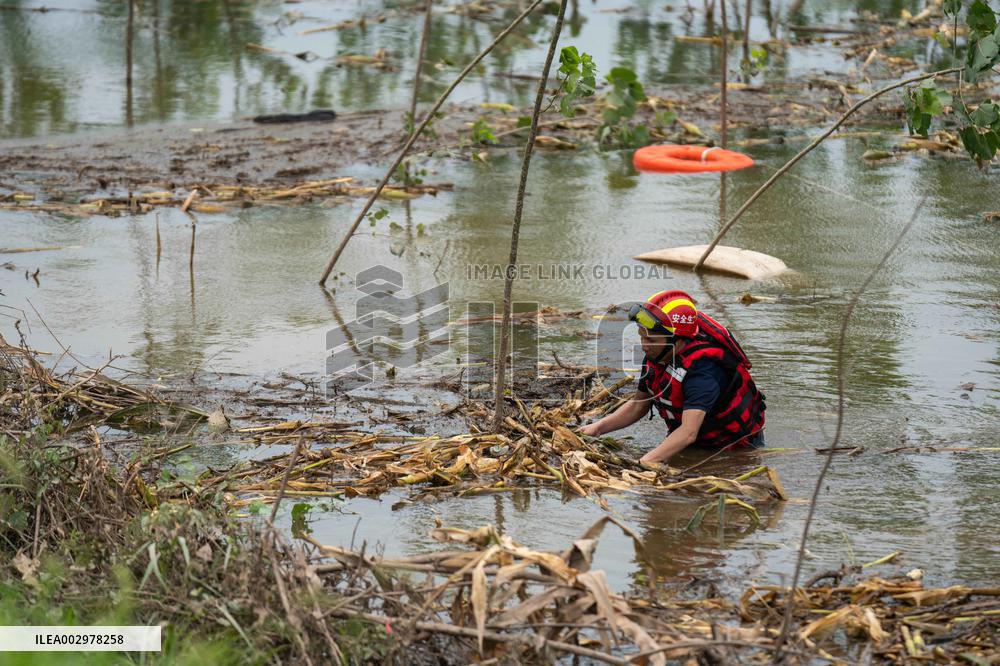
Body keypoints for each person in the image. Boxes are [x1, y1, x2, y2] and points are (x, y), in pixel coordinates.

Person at [579, 290, 765, 464]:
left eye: (651, 340)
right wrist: (598, 428)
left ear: (678, 339)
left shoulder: (703, 371)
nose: (644, 345)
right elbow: (638, 405)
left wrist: (642, 463)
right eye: (642, 336)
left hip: (731, 451)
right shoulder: (657, 354)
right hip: (691, 441)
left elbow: (688, 433)